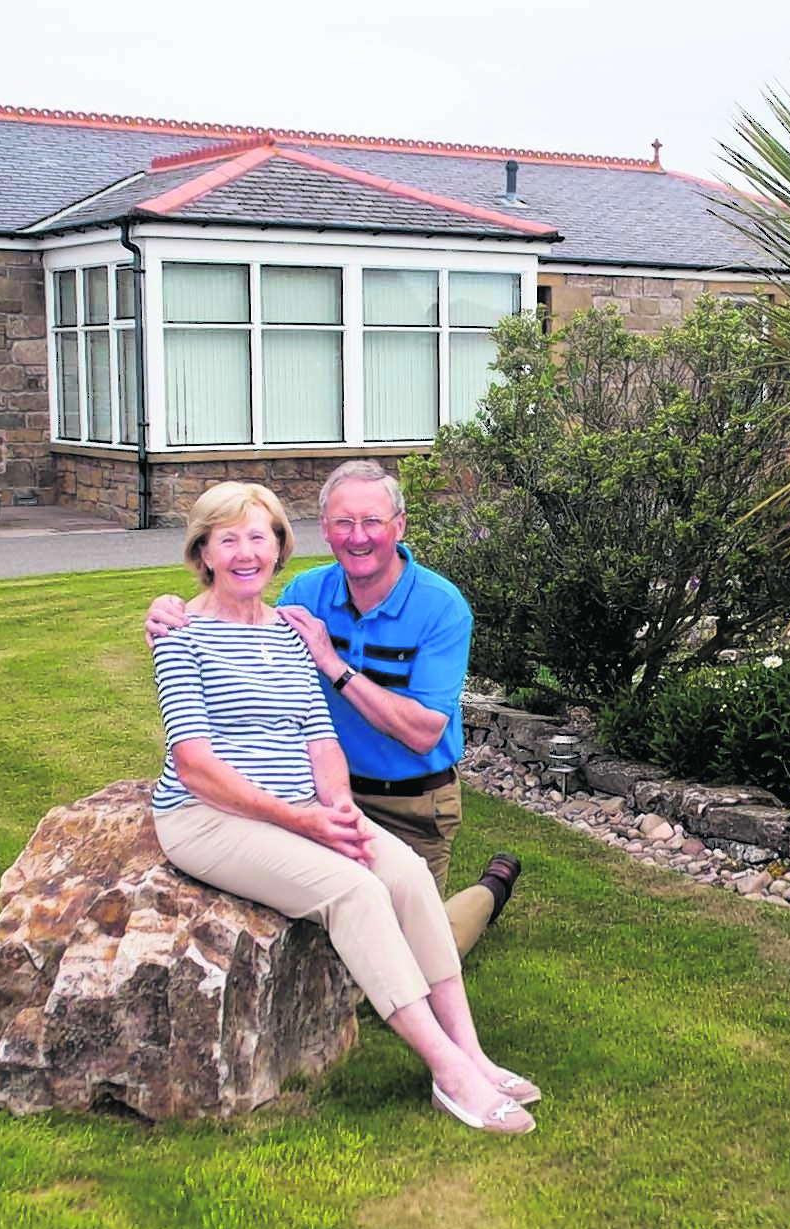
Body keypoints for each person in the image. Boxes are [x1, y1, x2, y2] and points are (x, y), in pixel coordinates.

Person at [148, 481, 537, 1135]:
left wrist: (338, 811)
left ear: (279, 547)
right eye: (229, 538)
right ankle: (449, 1072)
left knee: (406, 873)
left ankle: (471, 1048)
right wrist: (304, 821)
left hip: (330, 801)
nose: (247, 552)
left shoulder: (296, 628)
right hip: (207, 816)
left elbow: (318, 736)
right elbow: (194, 764)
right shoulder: (182, 633)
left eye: (261, 536)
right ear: (204, 551)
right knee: (355, 892)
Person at [147, 461, 513, 954]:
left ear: (399, 526)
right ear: (324, 529)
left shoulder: (441, 607)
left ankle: (490, 891)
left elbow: (424, 732)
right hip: (322, 797)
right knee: (352, 940)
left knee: (415, 952)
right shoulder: (307, 594)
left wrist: (332, 663)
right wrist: (169, 611)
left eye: (371, 522)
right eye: (343, 523)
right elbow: (235, 609)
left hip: (413, 802)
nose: (357, 537)